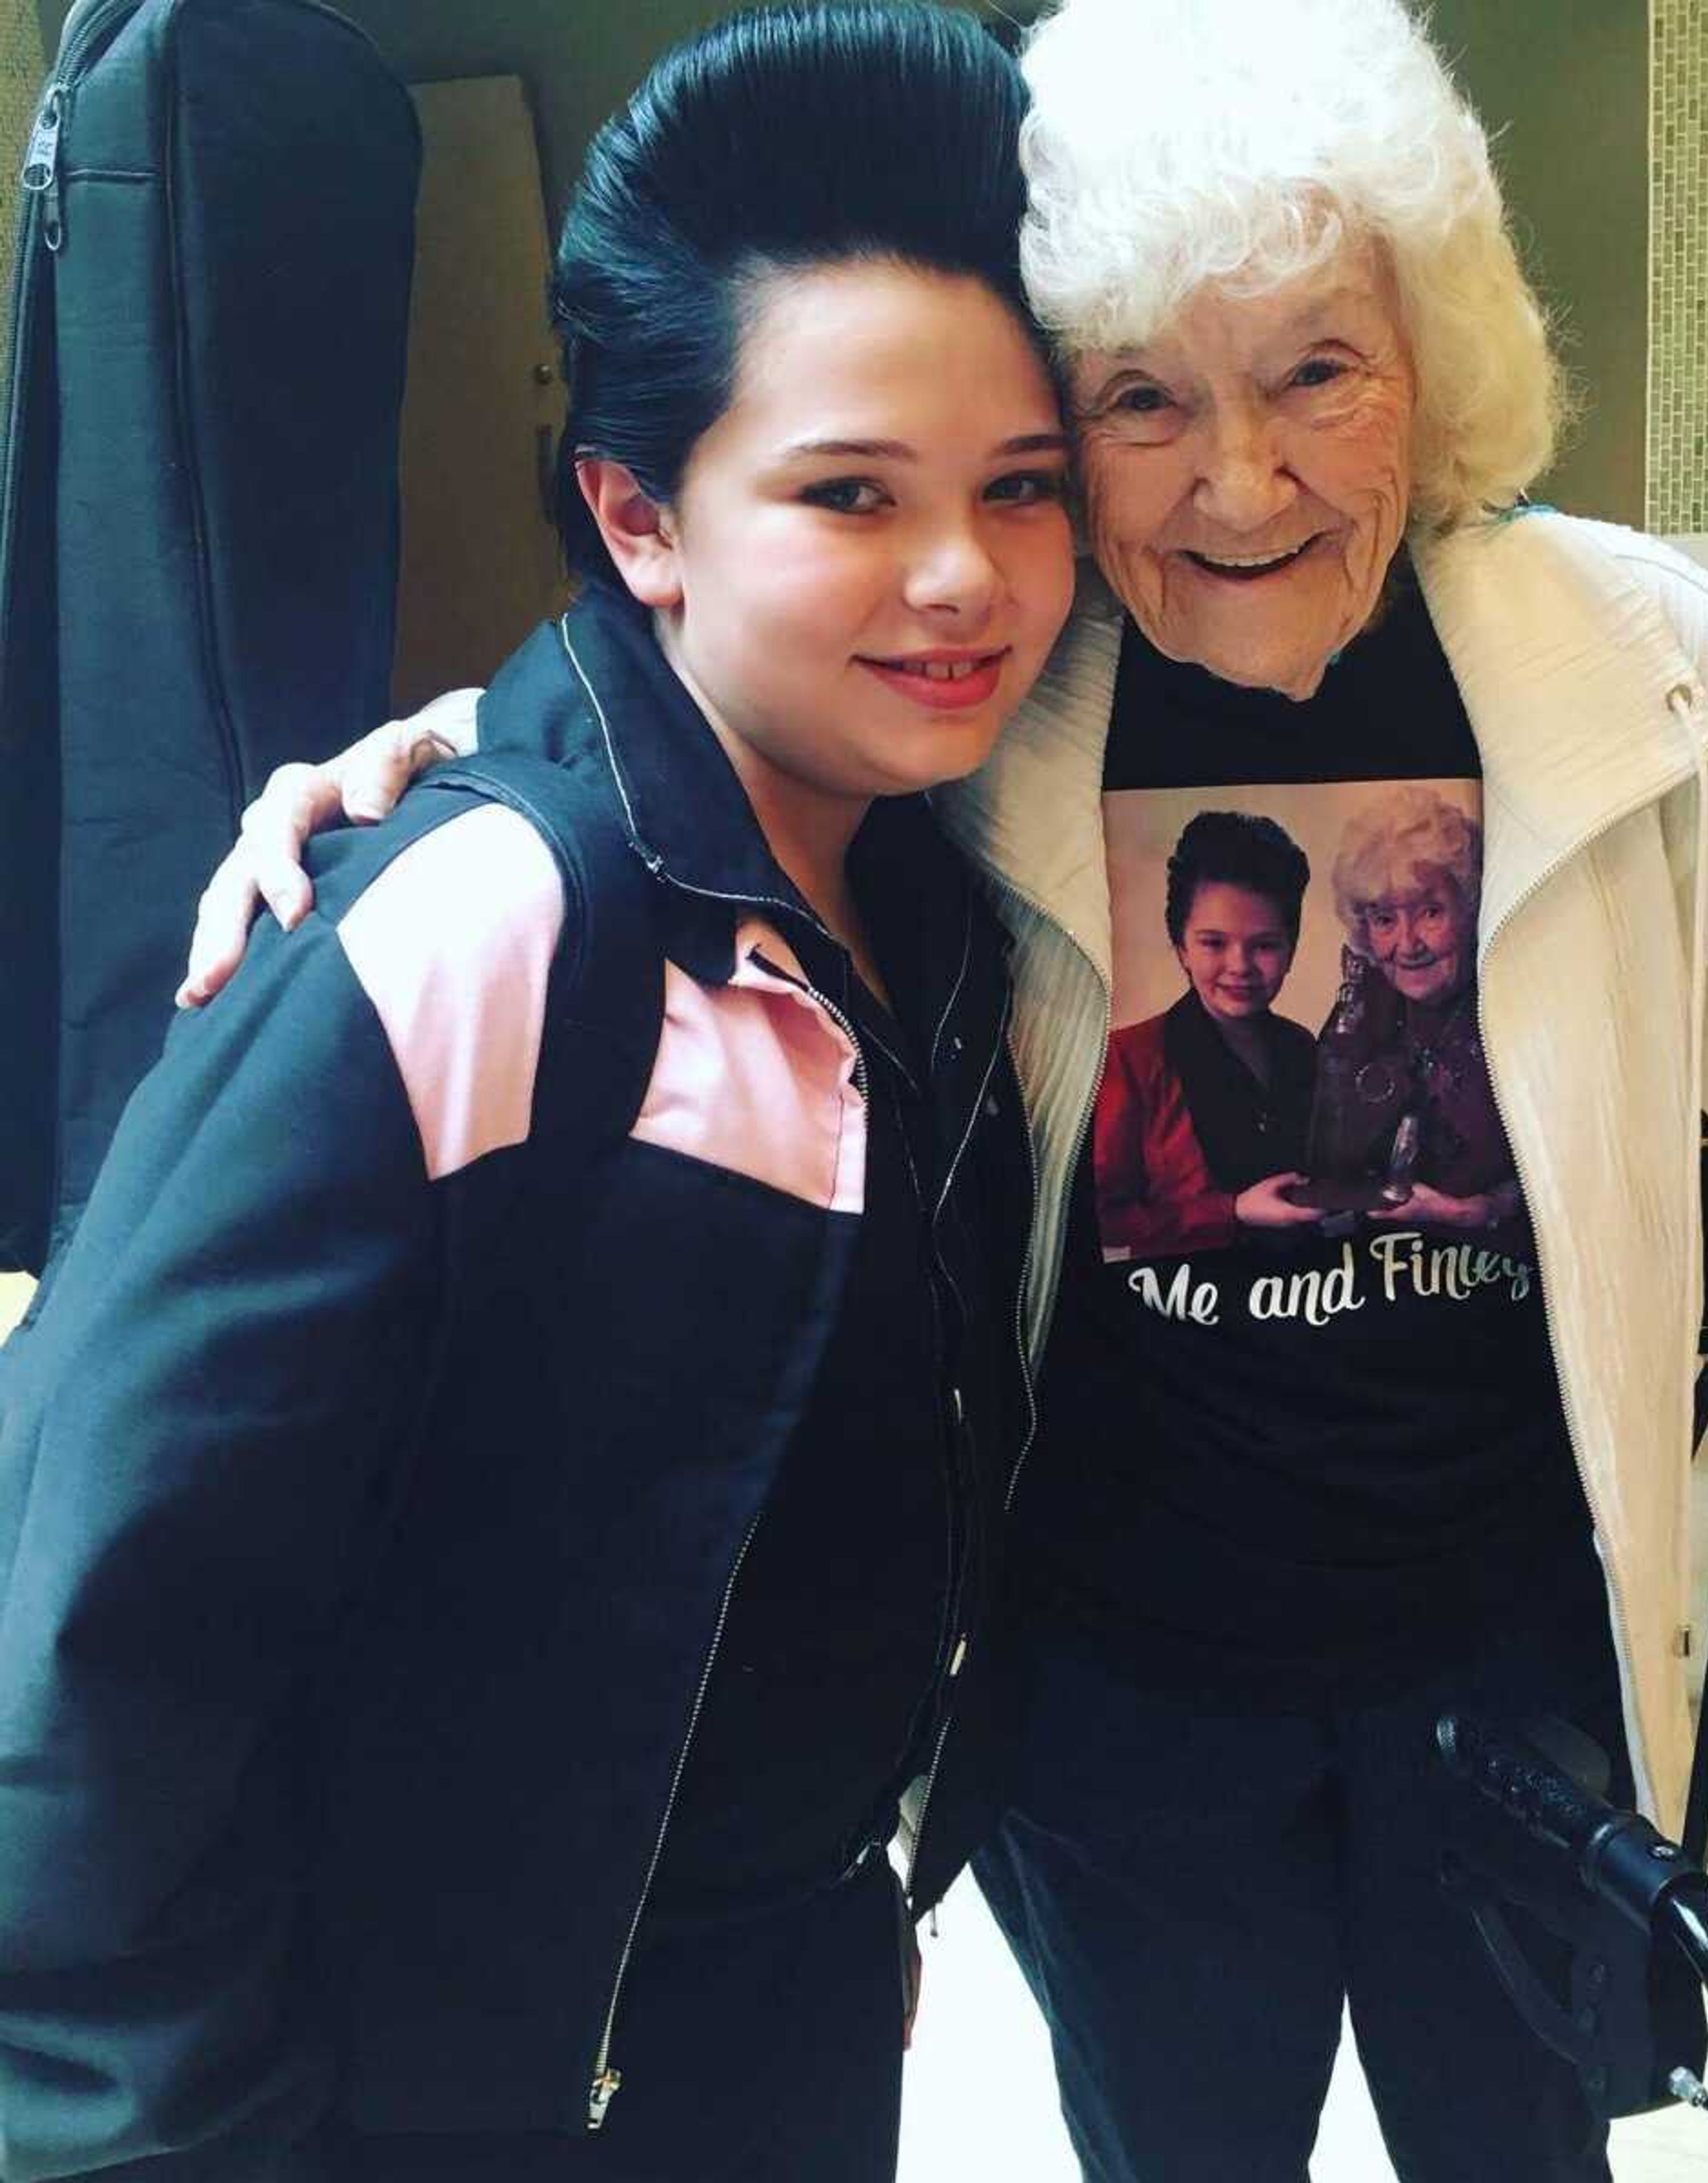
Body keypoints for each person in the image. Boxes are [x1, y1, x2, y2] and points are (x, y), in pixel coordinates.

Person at [179, 0, 1708, 2176]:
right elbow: (720, 681)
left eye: (1319, 366)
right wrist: (458, 753)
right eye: (1143, 396)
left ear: (1438, 354)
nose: (1240, 482)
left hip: (1506, 1672)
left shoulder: (1654, 672)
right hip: (1115, 1693)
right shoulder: (1008, 678)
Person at [0, 7, 1076, 2179]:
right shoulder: (476, 924)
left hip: (770, 1996)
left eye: (1022, 489)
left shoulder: (955, 906)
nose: (965, 575)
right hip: (441, 2071)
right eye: (851, 493)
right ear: (637, 515)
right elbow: (80, 1663)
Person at [1302, 783, 1527, 1235]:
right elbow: (1323, 1166)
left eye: (1430, 912)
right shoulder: (1358, 1009)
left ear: (1469, 908)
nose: (1408, 945)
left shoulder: (1517, 1000)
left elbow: (1570, 1169)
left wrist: (1480, 1212)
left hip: (1490, 1269)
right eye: (1385, 919)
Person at [1094, 809, 1320, 1258]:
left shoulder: (1303, 1046)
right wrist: (1231, 1210)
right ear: (1181, 947)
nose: (1240, 966)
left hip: (1309, 1295)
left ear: (1291, 950)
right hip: (1189, 1308)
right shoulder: (1128, 1059)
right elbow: (1101, 1217)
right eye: (1214, 943)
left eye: (1265, 945)